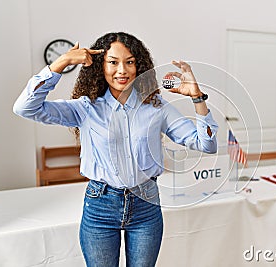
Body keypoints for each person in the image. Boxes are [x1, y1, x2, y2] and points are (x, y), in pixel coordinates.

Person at [13, 32, 218, 267]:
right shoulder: (86, 108)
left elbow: (207, 144)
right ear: (100, 66)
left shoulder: (156, 107)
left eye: (129, 62)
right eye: (113, 62)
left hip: (146, 207)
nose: (122, 70)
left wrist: (197, 97)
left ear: (139, 66)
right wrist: (63, 62)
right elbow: (25, 108)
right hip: (100, 206)